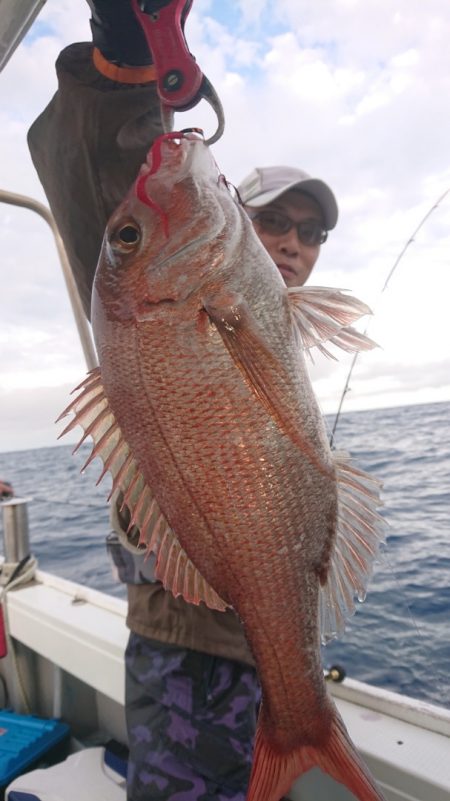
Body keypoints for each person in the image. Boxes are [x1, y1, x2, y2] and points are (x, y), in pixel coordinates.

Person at [27, 3, 338, 799]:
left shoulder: (274, 314)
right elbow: (96, 165)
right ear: (235, 211)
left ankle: (300, 725)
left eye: (311, 232)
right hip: (190, 638)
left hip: (268, 625)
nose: (294, 241)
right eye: (273, 220)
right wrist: (128, 55)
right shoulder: (157, 295)